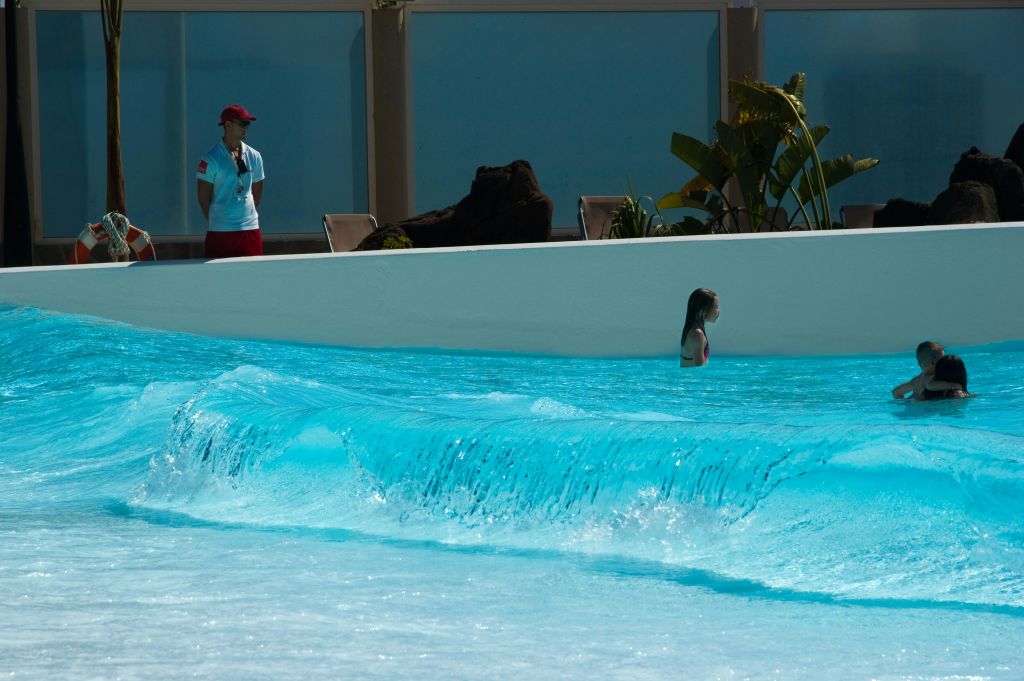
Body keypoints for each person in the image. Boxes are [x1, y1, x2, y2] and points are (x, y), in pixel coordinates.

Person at [197, 104, 265, 258]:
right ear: (227, 125)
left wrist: (243, 216)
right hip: (220, 232)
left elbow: (257, 193)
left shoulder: (254, 156)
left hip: (250, 229)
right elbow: (203, 198)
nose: (246, 127)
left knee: (252, 278)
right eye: (242, 123)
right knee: (218, 280)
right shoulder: (211, 159)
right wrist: (220, 220)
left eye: (248, 123)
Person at [680, 288, 719, 367]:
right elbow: (699, 370)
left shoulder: (693, 329)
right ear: (702, 309)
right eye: (715, 307)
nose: (718, 311)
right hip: (691, 378)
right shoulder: (697, 334)